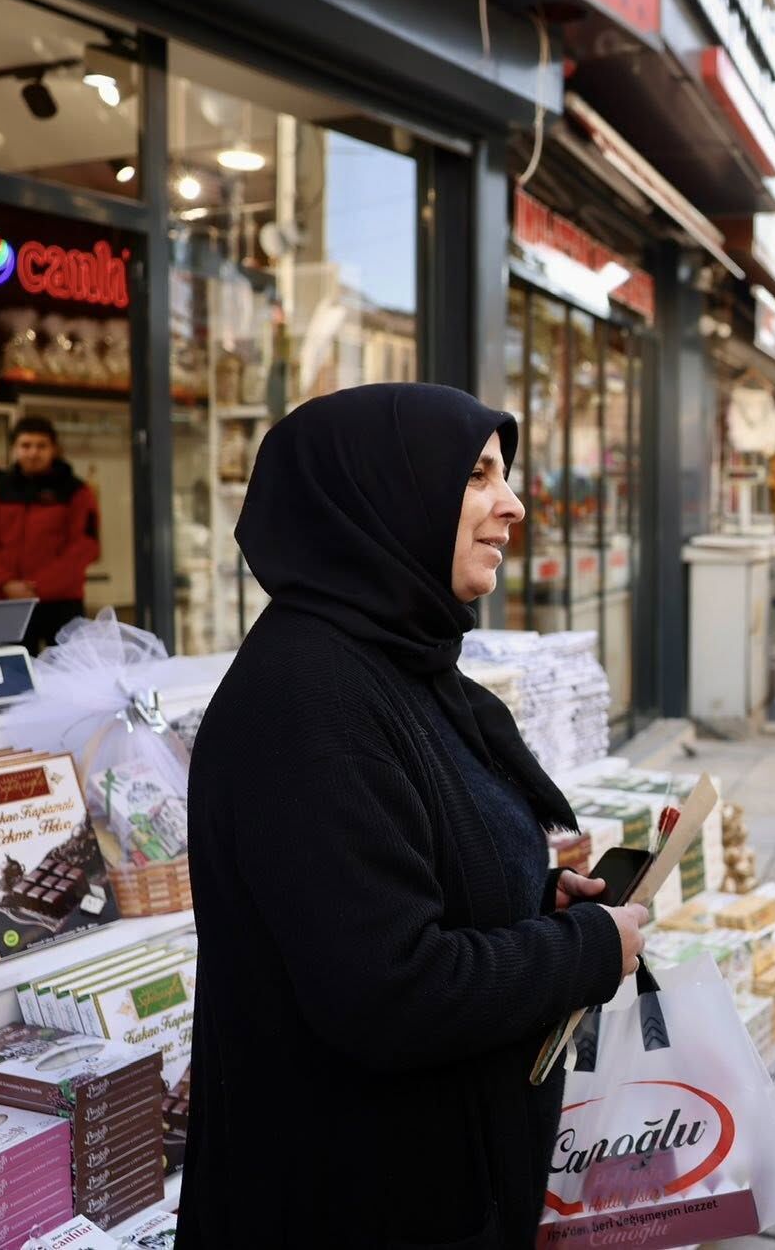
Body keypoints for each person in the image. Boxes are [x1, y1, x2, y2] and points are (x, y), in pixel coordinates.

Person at [180, 384, 646, 1248]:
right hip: (345, 1204)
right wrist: (581, 952)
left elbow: (415, 874)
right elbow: (389, 991)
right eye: (475, 477)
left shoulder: (397, 666)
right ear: (380, 496)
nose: (511, 506)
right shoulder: (308, 706)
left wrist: (533, 903)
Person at [0, 416, 100, 652]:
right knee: (14, 676)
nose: (33, 453)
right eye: (26, 445)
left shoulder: (76, 491)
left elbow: (85, 546)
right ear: (14, 449)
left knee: (68, 675)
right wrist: (5, 582)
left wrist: (38, 586)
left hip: (62, 602)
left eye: (41, 446)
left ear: (54, 449)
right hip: (10, 602)